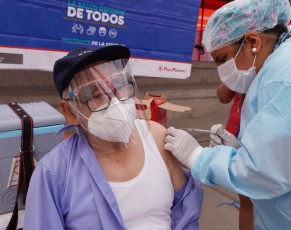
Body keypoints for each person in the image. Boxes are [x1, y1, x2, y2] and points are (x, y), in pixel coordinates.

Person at [164, 0, 291, 229]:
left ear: (252, 41)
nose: (222, 70)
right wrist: (244, 151)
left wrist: (199, 157)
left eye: (223, 59)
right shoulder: (284, 61)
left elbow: (272, 170)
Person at [23, 45, 203, 229]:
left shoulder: (157, 138)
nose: (116, 101)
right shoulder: (54, 174)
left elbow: (185, 213)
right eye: (97, 94)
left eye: (120, 85)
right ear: (71, 112)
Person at [213, 84, 253, 230]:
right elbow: (223, 96)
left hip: (256, 138)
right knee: (245, 200)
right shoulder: (239, 67)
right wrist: (231, 75)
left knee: (259, 200)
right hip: (235, 135)